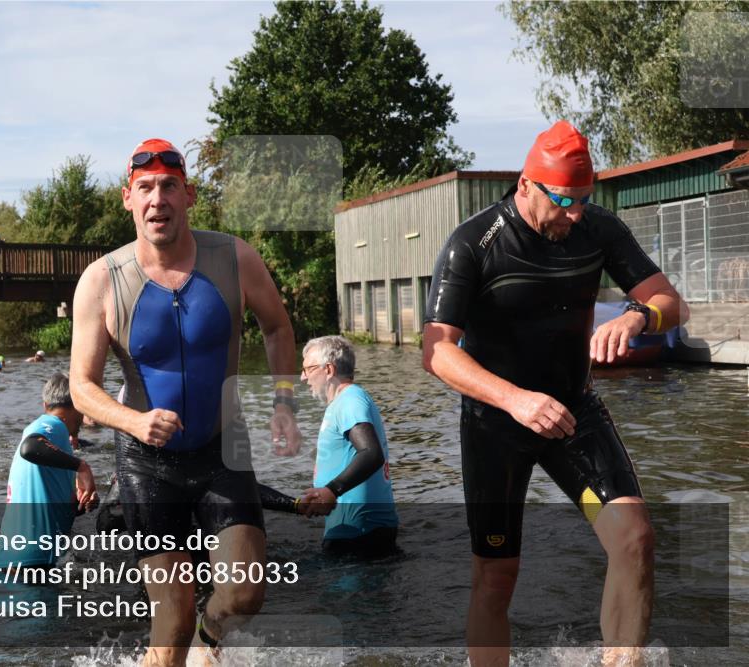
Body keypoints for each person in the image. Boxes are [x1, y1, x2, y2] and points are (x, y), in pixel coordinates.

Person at [422, 120, 689, 667]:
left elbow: (671, 301)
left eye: (584, 201)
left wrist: (638, 318)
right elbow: (437, 351)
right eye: (564, 201)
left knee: (634, 539)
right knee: (496, 577)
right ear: (527, 186)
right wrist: (515, 399)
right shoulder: (474, 243)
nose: (574, 214)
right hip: (497, 424)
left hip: (573, 415)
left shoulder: (599, 230)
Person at [69, 138, 302, 666]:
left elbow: (277, 325)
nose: (158, 200)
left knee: (244, 594)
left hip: (223, 450)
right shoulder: (102, 280)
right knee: (170, 619)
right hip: (146, 462)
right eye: (146, 188)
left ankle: (209, 644)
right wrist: (133, 420)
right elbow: (82, 387)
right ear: (127, 198)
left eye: (169, 187)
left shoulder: (234, 257)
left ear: (188, 195)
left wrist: (283, 400)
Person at [297, 336, 398, 557]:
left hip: (359, 534)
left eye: (308, 369)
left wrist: (331, 490)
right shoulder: (344, 402)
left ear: (329, 370)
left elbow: (371, 453)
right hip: (357, 530)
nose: (303, 378)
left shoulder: (350, 400)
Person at [0, 372, 98, 570]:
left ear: (45, 404)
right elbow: (30, 447)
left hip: (19, 558)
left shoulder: (53, 441)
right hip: (34, 560)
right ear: (78, 404)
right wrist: (82, 467)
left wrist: (82, 502)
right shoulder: (54, 425)